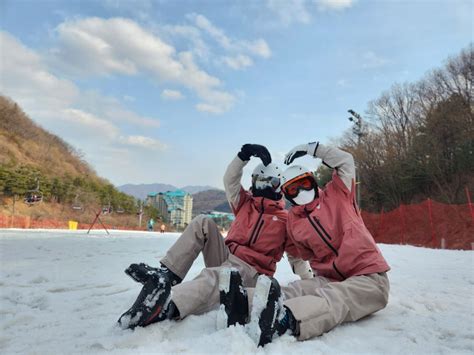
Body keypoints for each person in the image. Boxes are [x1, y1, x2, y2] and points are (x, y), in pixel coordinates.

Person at [117, 144, 312, 330]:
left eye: (267, 183)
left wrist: (309, 279)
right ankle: (166, 276)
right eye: (257, 182)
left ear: (277, 185)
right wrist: (243, 155)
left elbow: (296, 257)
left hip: (252, 272)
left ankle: (167, 305)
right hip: (227, 256)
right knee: (203, 222)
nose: (261, 187)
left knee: (214, 276)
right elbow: (230, 181)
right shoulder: (245, 203)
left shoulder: (285, 220)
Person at [221, 142, 390, 347]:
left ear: (312, 181)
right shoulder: (294, 221)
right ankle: (242, 301)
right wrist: (307, 280)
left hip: (368, 277)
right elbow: (300, 257)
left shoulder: (339, 194)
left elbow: (346, 161)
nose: (300, 190)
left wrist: (314, 149)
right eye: (293, 189)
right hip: (330, 278)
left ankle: (285, 319)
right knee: (296, 289)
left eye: (304, 184)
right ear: (287, 194)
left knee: (335, 297)